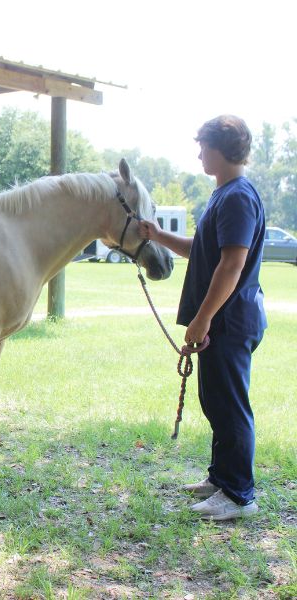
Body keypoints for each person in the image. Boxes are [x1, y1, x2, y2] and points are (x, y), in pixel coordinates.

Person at [139, 115, 266, 521]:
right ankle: (221, 478)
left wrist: (203, 318)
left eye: (203, 146)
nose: (198, 154)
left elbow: (231, 265)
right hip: (222, 322)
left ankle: (238, 495)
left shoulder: (238, 198)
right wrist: (157, 235)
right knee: (215, 400)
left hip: (229, 321)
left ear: (222, 149)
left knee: (230, 406)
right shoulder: (223, 195)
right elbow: (203, 249)